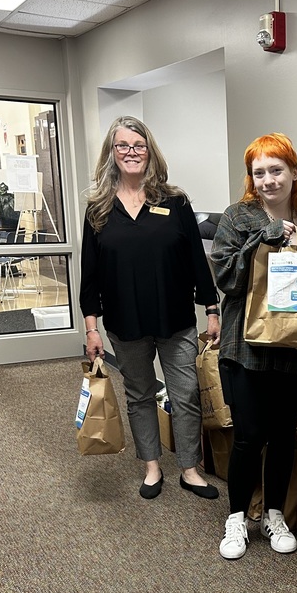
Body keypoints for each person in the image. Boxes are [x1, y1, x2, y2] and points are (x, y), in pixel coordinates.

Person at [211, 133, 297, 560]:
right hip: (245, 347)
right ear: (251, 178)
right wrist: (262, 239)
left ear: (294, 172)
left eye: (276, 169)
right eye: (258, 172)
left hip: (294, 351)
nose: (267, 180)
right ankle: (236, 519)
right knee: (249, 437)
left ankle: (273, 514)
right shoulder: (237, 218)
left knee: (283, 435)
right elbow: (227, 281)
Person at [80, 116, 220, 501]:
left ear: (150, 151)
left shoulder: (174, 201)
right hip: (125, 323)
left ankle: (190, 469)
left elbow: (196, 259)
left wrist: (212, 308)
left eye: (138, 145)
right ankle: (152, 466)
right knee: (140, 394)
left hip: (175, 320)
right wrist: (92, 329)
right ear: (112, 153)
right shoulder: (99, 209)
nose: (131, 152)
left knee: (186, 394)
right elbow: (89, 277)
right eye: (122, 146)